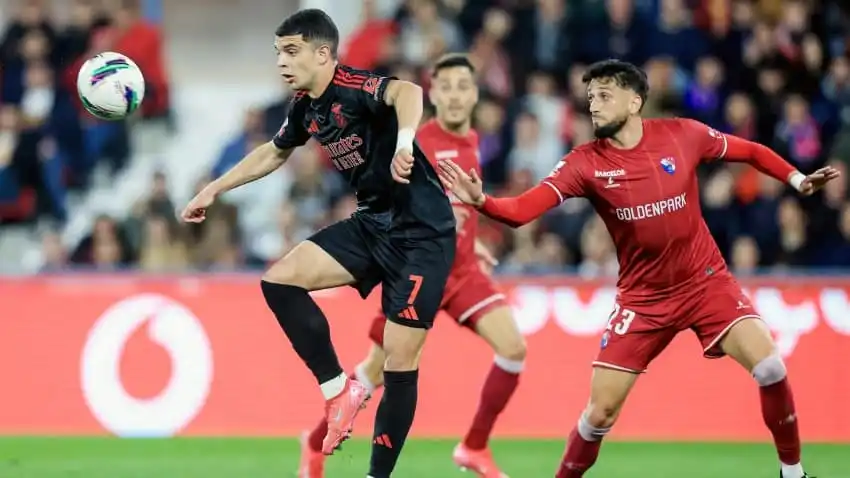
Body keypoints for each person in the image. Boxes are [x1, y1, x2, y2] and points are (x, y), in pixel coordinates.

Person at [437, 59, 838, 478]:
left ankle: (793, 473)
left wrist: (797, 179)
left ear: (634, 101)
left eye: (604, 96)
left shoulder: (683, 134)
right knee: (599, 414)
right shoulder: (584, 163)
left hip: (705, 282)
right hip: (643, 300)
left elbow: (750, 151)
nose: (593, 105)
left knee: (771, 366)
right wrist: (483, 202)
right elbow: (523, 211)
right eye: (590, 97)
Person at [180, 10, 456, 478]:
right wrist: (214, 189)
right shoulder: (305, 107)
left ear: (323, 53)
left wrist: (404, 142)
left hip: (422, 233)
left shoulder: (352, 86)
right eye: (278, 53)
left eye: (292, 51)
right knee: (279, 280)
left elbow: (408, 92)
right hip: (373, 225)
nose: (282, 62)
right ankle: (338, 391)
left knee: (398, 359)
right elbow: (274, 152)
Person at [298, 54, 525, 478]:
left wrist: (471, 243)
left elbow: (458, 204)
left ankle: (474, 446)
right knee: (374, 373)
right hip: (415, 271)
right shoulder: (416, 141)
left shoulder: (473, 141)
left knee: (513, 349)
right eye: (446, 87)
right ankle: (314, 444)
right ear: (433, 93)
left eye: (463, 87)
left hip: (462, 272)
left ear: (474, 95)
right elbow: (384, 205)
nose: (455, 96)